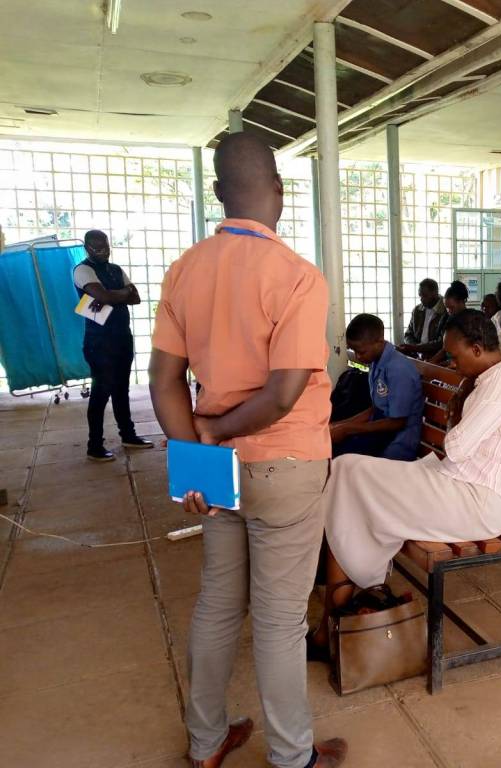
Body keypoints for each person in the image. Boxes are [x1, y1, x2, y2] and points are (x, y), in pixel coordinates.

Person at [148, 132, 346, 768]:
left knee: (216, 602)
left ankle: (206, 744)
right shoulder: (296, 276)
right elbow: (286, 392)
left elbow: (163, 378)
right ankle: (293, 757)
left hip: (217, 467)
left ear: (216, 194)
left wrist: (196, 452)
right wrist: (221, 432)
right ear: (281, 194)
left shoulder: (185, 269)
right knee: (280, 619)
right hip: (286, 465)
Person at [307, 310, 501, 656]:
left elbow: (457, 447)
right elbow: (459, 451)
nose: (451, 362)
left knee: (352, 485)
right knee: (346, 471)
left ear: (477, 349)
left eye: (455, 354)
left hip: (478, 502)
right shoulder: (495, 379)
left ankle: (335, 625)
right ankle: (345, 608)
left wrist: (459, 403)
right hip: (457, 484)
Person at [73, 229, 153, 461]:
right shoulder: (83, 270)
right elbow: (104, 297)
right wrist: (120, 294)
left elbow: (135, 297)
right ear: (87, 248)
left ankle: (128, 435)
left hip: (121, 336)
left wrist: (112, 295)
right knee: (101, 392)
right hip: (98, 341)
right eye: (97, 248)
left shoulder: (115, 269)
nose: (103, 251)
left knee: (121, 390)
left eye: (106, 246)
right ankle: (94, 445)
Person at [330, 314, 423, 461]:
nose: (357, 357)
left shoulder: (398, 369)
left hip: (397, 444)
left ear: (379, 342)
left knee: (340, 457)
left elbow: (397, 422)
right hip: (380, 433)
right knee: (332, 446)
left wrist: (347, 429)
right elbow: (375, 409)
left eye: (361, 351)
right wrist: (340, 425)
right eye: (353, 350)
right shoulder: (376, 362)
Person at [421, 280, 469, 365]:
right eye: (447, 308)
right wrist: (432, 362)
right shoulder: (448, 318)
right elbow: (445, 348)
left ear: (461, 302)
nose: (449, 311)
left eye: (451, 307)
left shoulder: (470, 320)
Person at [399, 278, 446, 356]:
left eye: (424, 295)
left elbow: (441, 342)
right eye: (420, 295)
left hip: (436, 356)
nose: (421, 299)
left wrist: (417, 348)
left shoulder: (445, 311)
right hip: (416, 353)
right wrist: (413, 347)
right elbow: (408, 334)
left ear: (435, 293)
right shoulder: (417, 310)